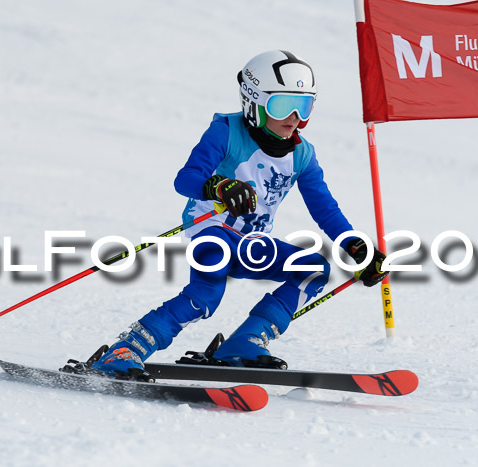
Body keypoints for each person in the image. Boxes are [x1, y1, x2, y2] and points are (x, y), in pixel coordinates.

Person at [90, 50, 388, 376]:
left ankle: (245, 342)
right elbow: (186, 178)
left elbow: (325, 210)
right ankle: (127, 349)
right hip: (211, 230)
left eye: (303, 106)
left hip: (251, 242)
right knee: (206, 295)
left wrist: (356, 247)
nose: (293, 117)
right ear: (253, 102)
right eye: (281, 105)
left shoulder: (302, 154)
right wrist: (219, 187)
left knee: (313, 269)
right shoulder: (227, 132)